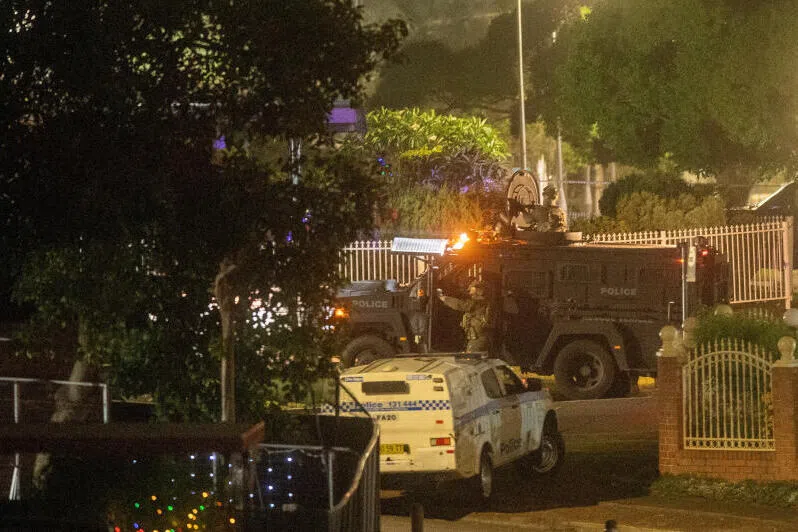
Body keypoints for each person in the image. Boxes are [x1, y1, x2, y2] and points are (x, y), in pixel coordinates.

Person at [438, 279, 496, 353]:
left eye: (471, 290)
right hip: (482, 336)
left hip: (477, 338)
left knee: (471, 358)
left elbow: (460, 305)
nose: (469, 293)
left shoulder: (477, 302)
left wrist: (444, 298)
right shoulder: (486, 302)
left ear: (478, 291)